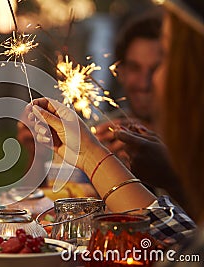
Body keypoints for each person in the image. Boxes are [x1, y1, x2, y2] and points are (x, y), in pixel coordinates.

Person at [26, 0, 203, 257]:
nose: (148, 81)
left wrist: (89, 153)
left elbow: (171, 246)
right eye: (134, 68)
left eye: (164, 57)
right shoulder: (103, 128)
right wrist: (85, 152)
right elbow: (176, 235)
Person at [94, 11, 187, 208]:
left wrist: (169, 174)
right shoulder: (102, 133)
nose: (144, 84)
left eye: (155, 69)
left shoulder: (194, 141)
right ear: (120, 72)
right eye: (135, 68)